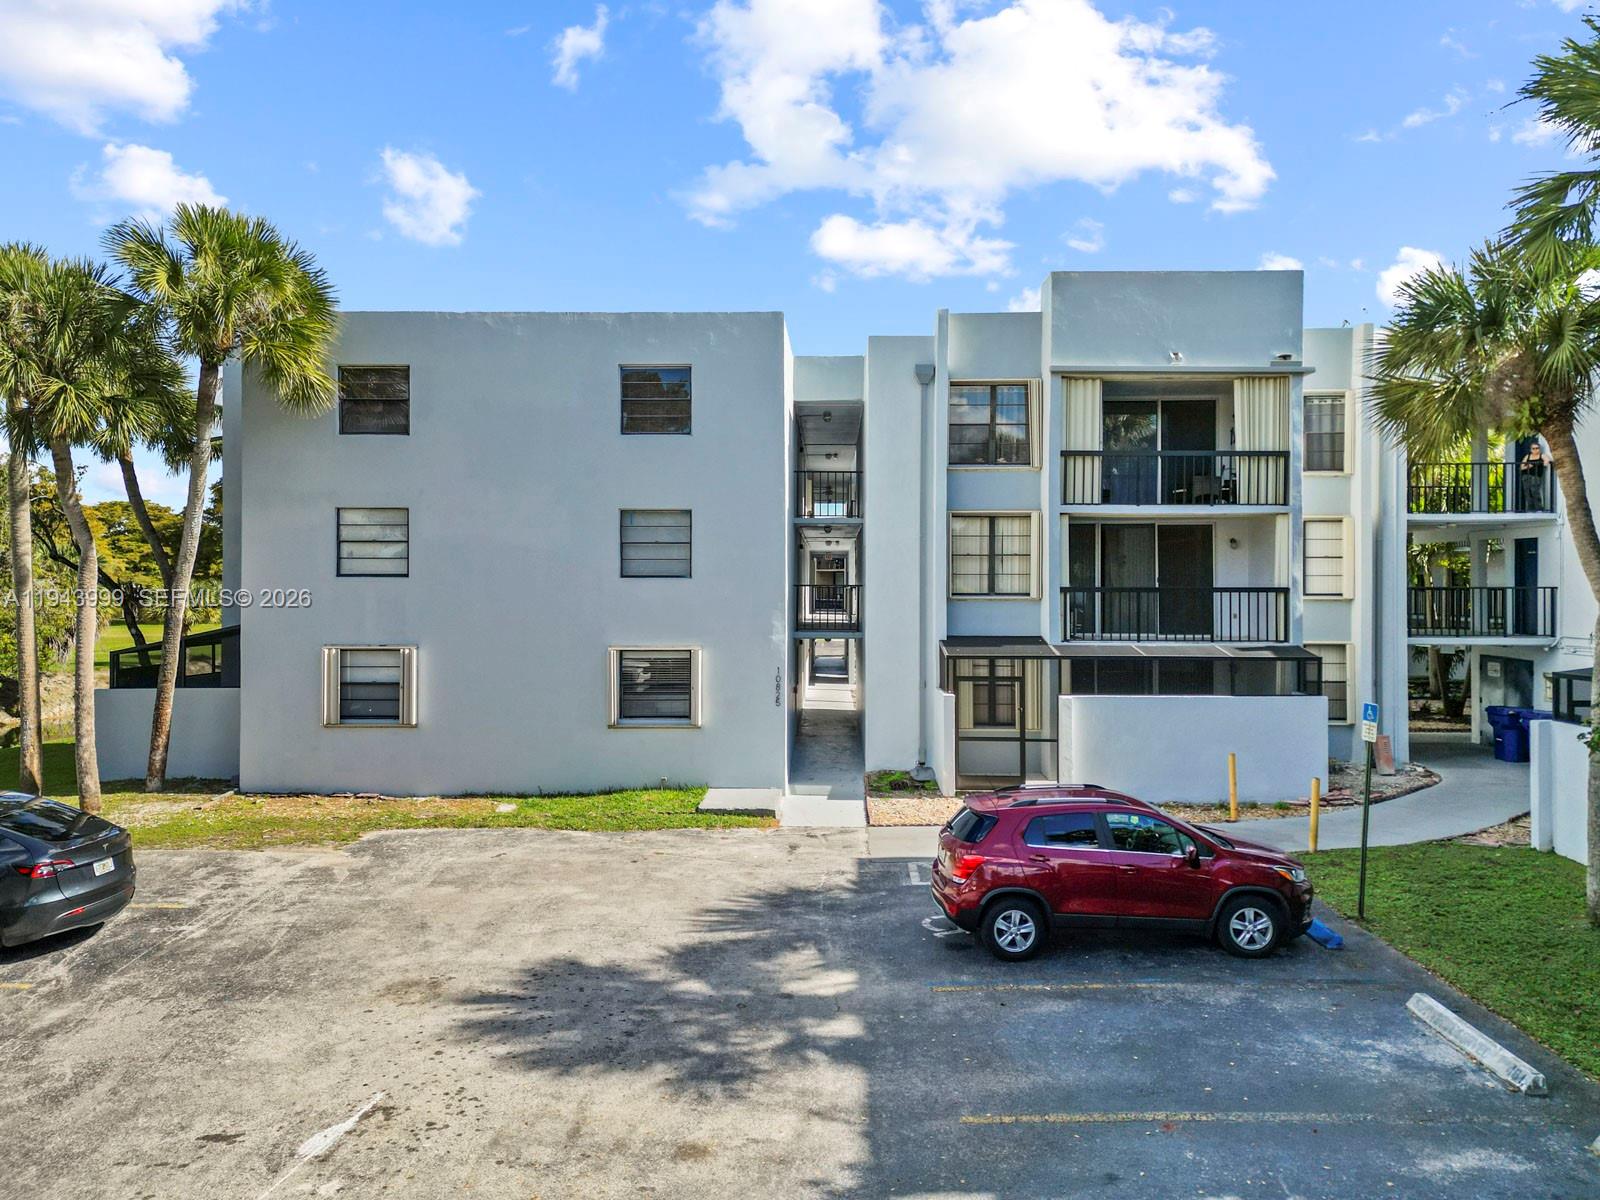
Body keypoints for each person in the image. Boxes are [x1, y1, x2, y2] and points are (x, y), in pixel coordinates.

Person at [1519, 441, 1552, 511]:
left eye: (1537, 448)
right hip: (1526, 476)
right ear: (1531, 449)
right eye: (1533, 448)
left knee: (1535, 492)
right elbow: (1522, 467)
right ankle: (1530, 509)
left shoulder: (1542, 455)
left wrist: (1544, 464)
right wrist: (1529, 466)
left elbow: (1547, 461)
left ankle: (1538, 508)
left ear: (1539, 449)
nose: (1535, 450)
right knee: (1527, 492)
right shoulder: (1528, 456)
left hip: (1536, 476)